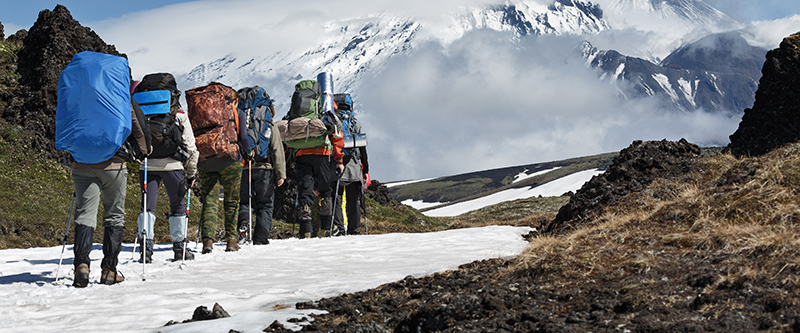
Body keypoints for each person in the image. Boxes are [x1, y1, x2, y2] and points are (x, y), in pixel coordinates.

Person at [71, 90, 152, 287]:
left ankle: (81, 266)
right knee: (114, 215)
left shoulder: (78, 90)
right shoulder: (119, 90)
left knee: (85, 214)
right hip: (114, 164)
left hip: (82, 162)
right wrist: (144, 149)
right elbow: (138, 124)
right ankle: (109, 270)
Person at [134, 73, 200, 262]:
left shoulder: (141, 112)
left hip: (147, 165)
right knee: (177, 206)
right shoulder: (179, 115)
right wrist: (191, 174)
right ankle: (180, 249)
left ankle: (146, 249)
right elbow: (191, 148)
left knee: (147, 207)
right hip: (174, 166)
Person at [195, 89, 252, 253]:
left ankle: (207, 242)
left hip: (205, 159)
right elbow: (243, 137)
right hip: (230, 159)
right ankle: (231, 241)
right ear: (233, 100)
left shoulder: (202, 111)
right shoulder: (236, 112)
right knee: (232, 200)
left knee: (209, 200)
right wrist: (248, 153)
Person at [237, 96, 287, 245]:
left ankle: (244, 222)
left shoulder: (241, 120)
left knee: (245, 201)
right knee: (265, 204)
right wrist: (281, 173)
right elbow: (277, 149)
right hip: (265, 169)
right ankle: (260, 238)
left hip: (244, 168)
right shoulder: (269, 123)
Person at [294, 118, 344, 239]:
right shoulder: (327, 112)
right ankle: (326, 228)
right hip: (322, 153)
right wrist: (338, 159)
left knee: (304, 191)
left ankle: (305, 230)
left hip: (302, 153)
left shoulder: (299, 112)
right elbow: (336, 136)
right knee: (325, 191)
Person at [332, 103, 369, 236]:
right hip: (353, 166)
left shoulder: (332, 122)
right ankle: (354, 230)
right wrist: (365, 169)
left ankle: (339, 229)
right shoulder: (356, 123)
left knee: (336, 199)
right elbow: (363, 148)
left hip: (335, 165)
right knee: (353, 200)